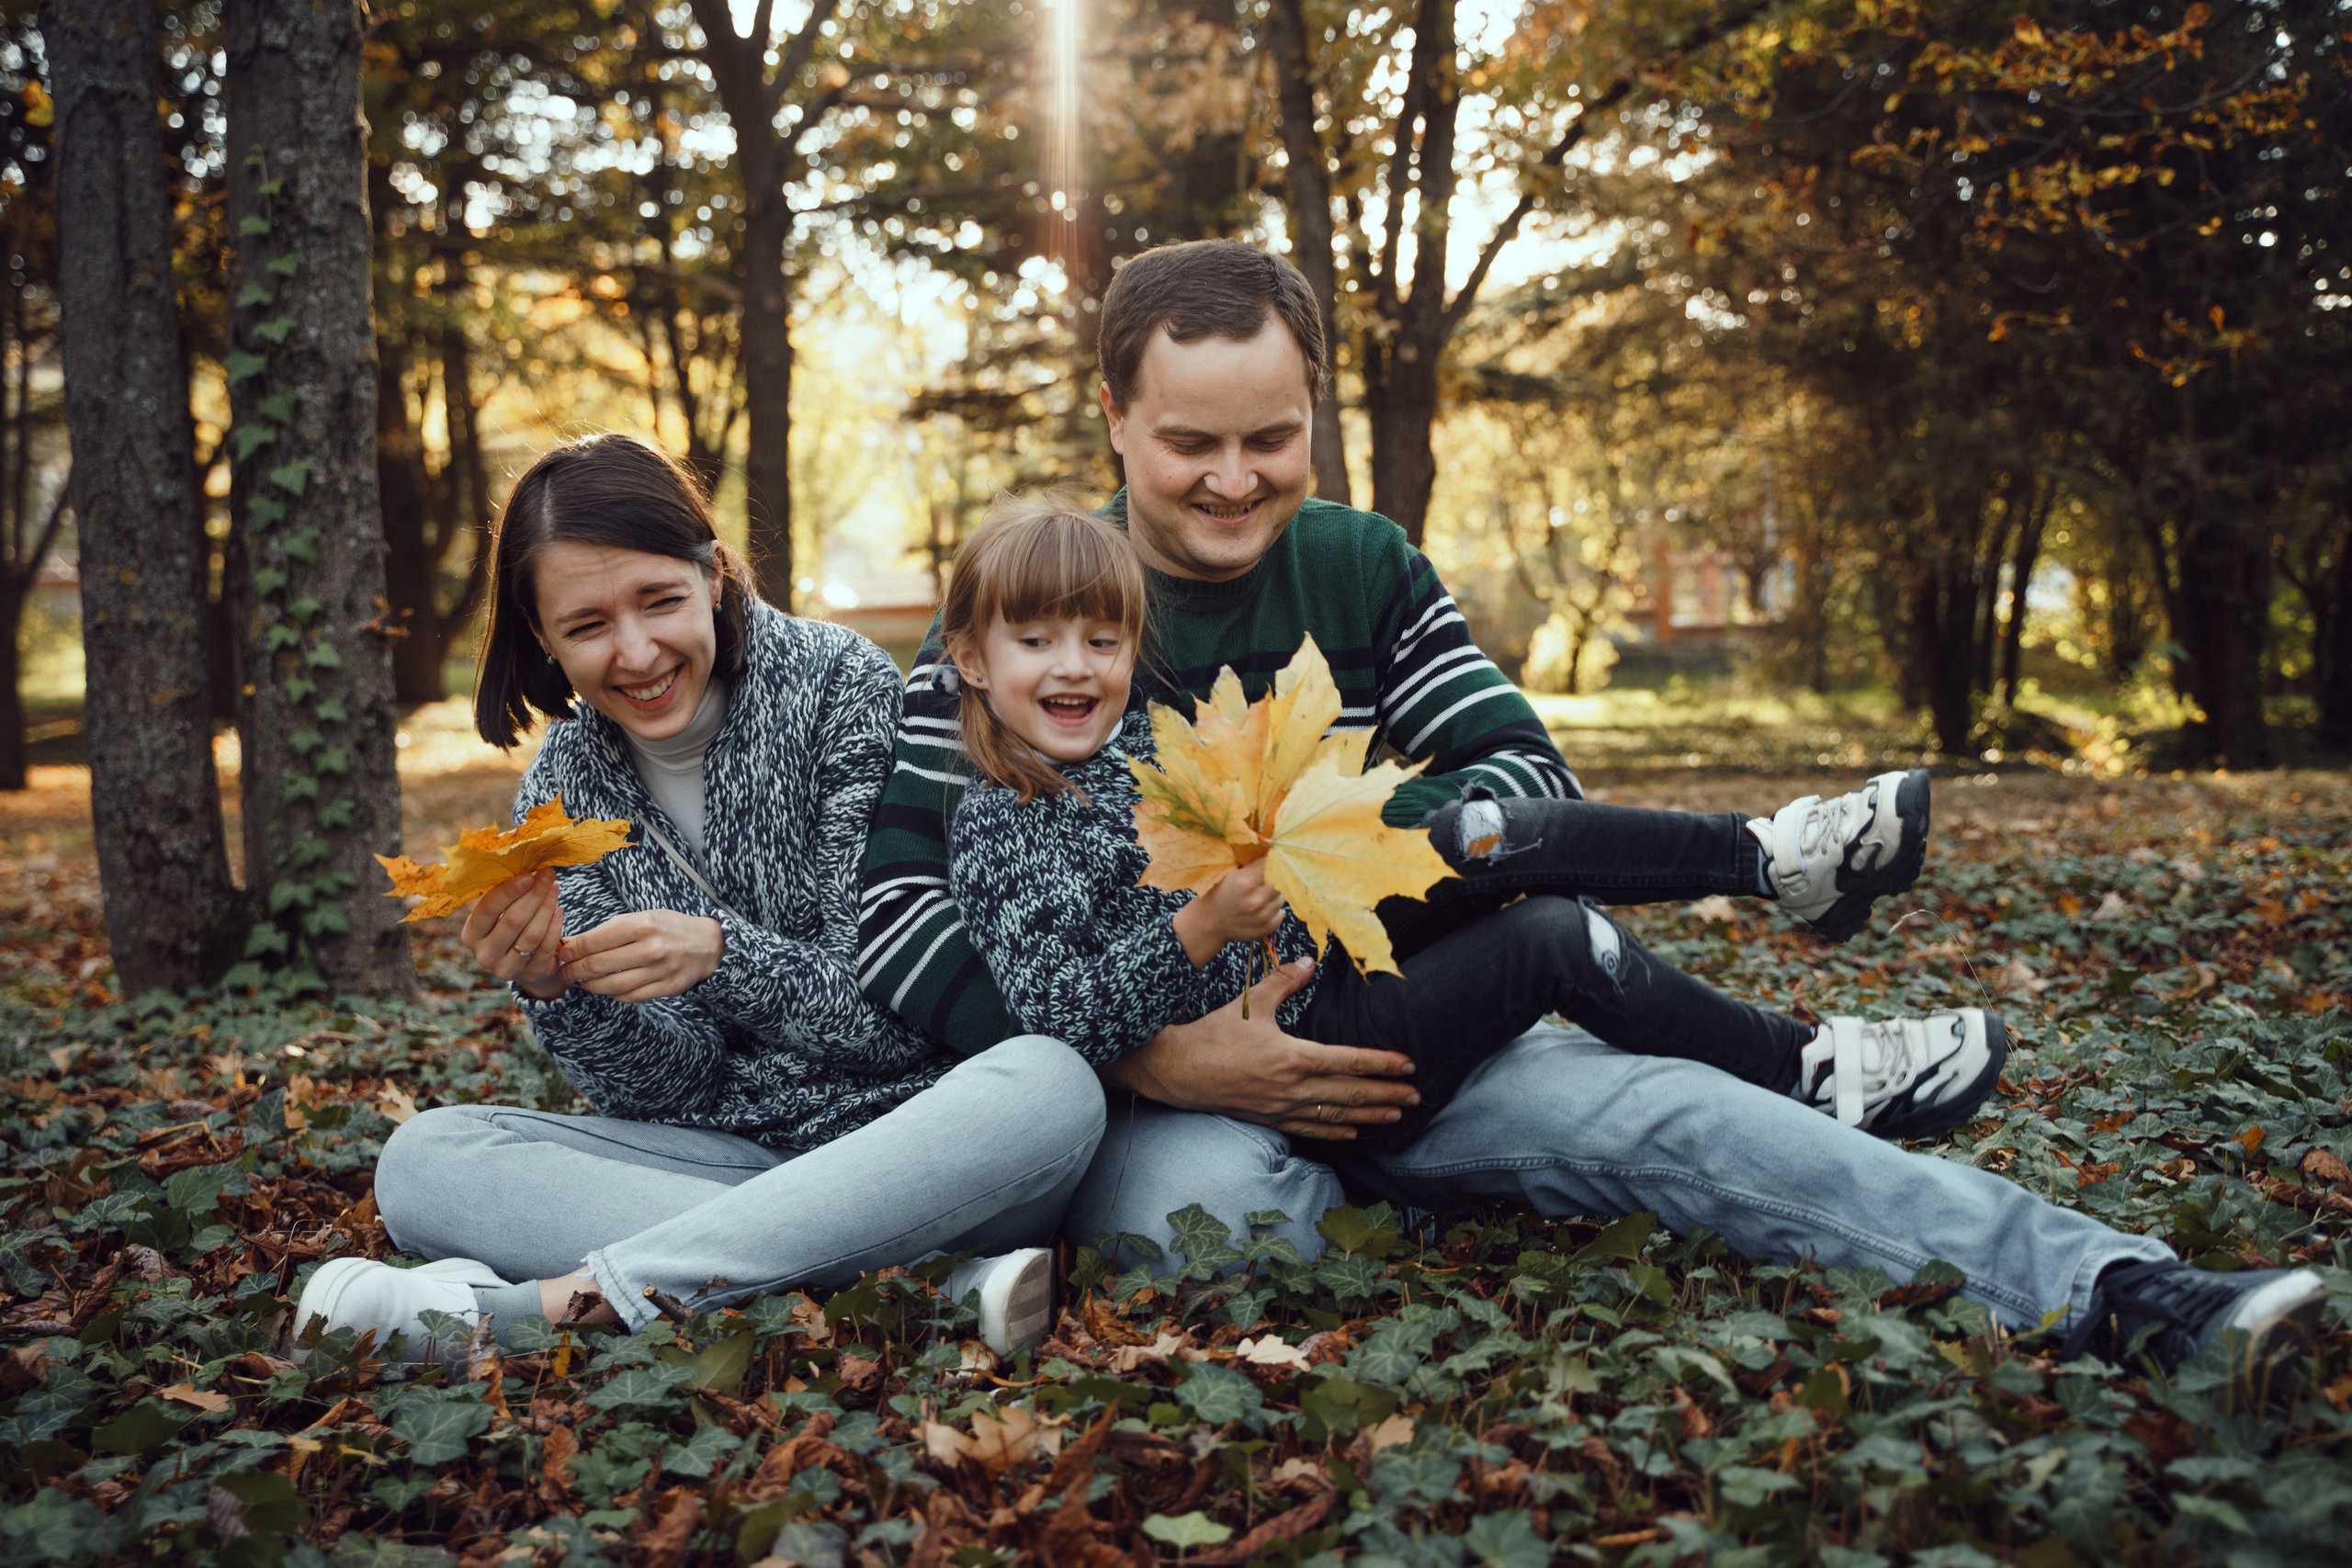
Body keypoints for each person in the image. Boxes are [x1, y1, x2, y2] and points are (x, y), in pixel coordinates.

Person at [858, 240, 2326, 1382]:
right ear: (1113, 416)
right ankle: (1418, 1193)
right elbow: (904, 921)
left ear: (1310, 415)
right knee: (1221, 1238)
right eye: (1191, 442)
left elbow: (1526, 785)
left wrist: (1335, 856)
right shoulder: (1028, 615)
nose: (1236, 479)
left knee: (1679, 1110)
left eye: (1273, 437)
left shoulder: (1367, 565)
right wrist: (1165, 1062)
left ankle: (2128, 1293)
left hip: (1428, 1000)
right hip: (1168, 1082)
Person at [291, 434, 1103, 1365]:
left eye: (659, 602)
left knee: (1050, 1081)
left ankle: (536, 1313)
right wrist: (562, 995)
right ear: (542, 635)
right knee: (423, 1162)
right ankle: (923, 1291)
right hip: (729, 1160)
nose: (636, 654)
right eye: (587, 626)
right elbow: (671, 1089)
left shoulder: (845, 690)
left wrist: (723, 956)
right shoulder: (562, 793)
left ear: (713, 574)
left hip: (927, 1144)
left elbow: (897, 1026)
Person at [937, 494, 2005, 1154]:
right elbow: (1051, 1017)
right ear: (973, 662)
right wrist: (1201, 929)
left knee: (1493, 831)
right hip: (1305, 1060)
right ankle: (1801, 1068)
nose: (1074, 666)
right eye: (1036, 641)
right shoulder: (998, 823)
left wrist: (1299, 856)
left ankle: (1773, 855)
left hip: (1326, 956)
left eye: (1102, 641)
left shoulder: (1141, 748)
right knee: (1549, 939)